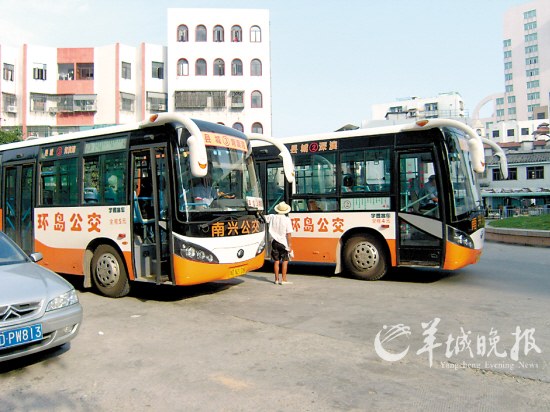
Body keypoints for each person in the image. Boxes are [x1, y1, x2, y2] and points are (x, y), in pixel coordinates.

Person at [264, 201, 293, 285]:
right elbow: (288, 234)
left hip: (274, 242)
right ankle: (284, 279)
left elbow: (263, 218)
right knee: (285, 261)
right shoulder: (287, 219)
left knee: (276, 261)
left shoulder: (272, 217)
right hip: (283, 243)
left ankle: (276, 279)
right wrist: (290, 246)